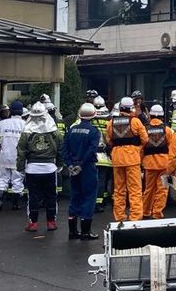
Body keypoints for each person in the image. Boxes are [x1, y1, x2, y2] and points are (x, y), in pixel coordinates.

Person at [16, 102, 64, 232]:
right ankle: (51, 222)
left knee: (33, 196)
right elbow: (60, 149)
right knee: (51, 196)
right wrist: (60, 164)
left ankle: (33, 223)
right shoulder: (54, 132)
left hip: (32, 168)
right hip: (50, 168)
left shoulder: (26, 132)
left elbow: (21, 151)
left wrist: (20, 167)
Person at [62, 103, 102, 240]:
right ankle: (85, 232)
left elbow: (64, 149)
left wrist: (70, 164)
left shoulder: (71, 130)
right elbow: (91, 150)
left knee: (75, 196)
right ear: (93, 116)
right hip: (87, 168)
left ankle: (72, 231)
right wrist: (82, 165)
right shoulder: (94, 131)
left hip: (73, 168)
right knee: (89, 197)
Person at [106, 97, 148, 222]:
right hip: (132, 159)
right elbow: (145, 139)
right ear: (131, 108)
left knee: (119, 190)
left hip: (117, 159)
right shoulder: (135, 122)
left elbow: (108, 140)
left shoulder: (111, 123)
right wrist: (137, 148)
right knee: (135, 189)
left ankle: (119, 216)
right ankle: (135, 217)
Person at [0, 100, 27, 211]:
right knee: (17, 181)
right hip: (19, 157)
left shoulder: (2, 123)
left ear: (11, 111)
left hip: (4, 155)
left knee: (2, 179)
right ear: (21, 112)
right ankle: (15, 204)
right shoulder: (25, 125)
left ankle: (0, 202)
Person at [142, 104, 174, 219]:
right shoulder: (168, 130)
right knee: (163, 190)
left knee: (148, 189)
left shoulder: (144, 129)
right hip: (164, 165)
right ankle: (157, 213)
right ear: (162, 116)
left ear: (150, 115)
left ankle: (145, 212)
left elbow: (141, 148)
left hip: (149, 164)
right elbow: (173, 149)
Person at [90, 96, 113, 212]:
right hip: (105, 155)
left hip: (91, 156)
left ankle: (93, 202)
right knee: (102, 180)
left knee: (92, 180)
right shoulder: (109, 120)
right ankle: (100, 202)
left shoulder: (89, 119)